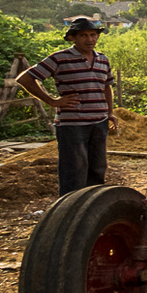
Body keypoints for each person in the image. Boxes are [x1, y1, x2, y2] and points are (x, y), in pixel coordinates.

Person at [18, 17, 119, 196]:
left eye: (93, 35)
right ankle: (70, 210)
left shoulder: (103, 59)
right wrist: (52, 101)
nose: (90, 39)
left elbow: (106, 86)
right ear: (73, 38)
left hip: (99, 122)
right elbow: (25, 78)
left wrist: (110, 113)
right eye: (84, 35)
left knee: (98, 169)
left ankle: (92, 208)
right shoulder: (59, 58)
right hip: (72, 124)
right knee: (74, 170)